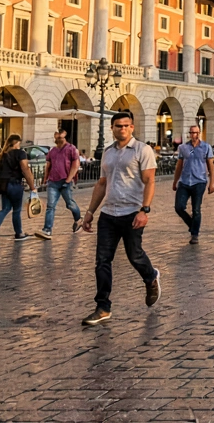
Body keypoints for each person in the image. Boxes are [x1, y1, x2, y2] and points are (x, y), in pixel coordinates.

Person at [80, 111, 159, 325]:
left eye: (125, 125)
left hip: (132, 211)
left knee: (134, 256)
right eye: (117, 125)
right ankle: (103, 306)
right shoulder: (108, 152)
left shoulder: (143, 150)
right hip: (108, 213)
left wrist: (145, 210)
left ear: (132, 127)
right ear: (112, 128)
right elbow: (102, 183)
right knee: (102, 261)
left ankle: (151, 277)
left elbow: (150, 181)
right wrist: (89, 212)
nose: (121, 129)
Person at [0, 134, 37, 245]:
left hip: (4, 186)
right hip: (15, 184)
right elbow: (25, 170)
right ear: (16, 143)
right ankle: (19, 233)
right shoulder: (20, 153)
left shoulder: (1, 155)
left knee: (5, 209)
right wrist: (32, 187)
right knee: (17, 210)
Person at [35, 129, 82, 240]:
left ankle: (78, 219)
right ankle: (47, 230)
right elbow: (48, 165)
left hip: (66, 180)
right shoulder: (53, 151)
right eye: (56, 138)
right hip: (53, 181)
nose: (58, 140)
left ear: (65, 137)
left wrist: (68, 180)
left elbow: (75, 165)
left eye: (60, 138)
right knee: (50, 206)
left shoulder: (71, 149)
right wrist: (45, 179)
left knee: (69, 204)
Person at [172, 125, 214, 244]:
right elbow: (179, 165)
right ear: (189, 134)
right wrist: (175, 181)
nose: (194, 135)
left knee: (196, 209)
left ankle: (194, 234)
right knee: (179, 207)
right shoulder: (183, 147)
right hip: (184, 181)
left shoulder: (206, 147)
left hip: (199, 181)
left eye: (196, 133)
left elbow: (211, 166)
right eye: (192, 133)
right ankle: (192, 225)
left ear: (199, 133)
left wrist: (212, 183)